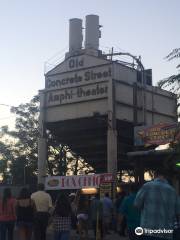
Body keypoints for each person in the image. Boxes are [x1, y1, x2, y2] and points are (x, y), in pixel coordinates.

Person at [134, 169, 180, 240]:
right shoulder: (173, 191)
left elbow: (136, 205)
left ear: (155, 175)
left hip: (148, 231)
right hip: (166, 232)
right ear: (166, 177)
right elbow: (177, 212)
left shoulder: (146, 186)